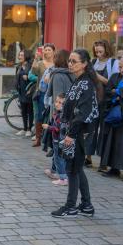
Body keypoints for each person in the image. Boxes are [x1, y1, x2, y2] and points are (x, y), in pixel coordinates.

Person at [51, 49, 100, 218]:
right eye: (69, 61)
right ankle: (86, 205)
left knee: (72, 169)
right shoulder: (79, 81)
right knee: (77, 168)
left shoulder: (85, 83)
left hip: (79, 132)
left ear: (85, 63)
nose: (70, 64)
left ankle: (70, 206)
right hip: (74, 130)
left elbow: (83, 113)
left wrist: (71, 135)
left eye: (74, 61)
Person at [86, 39, 119, 167]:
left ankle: (103, 161)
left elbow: (112, 83)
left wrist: (97, 76)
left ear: (106, 49)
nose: (98, 53)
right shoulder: (94, 62)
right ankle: (88, 157)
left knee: (104, 130)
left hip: (106, 101)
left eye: (100, 51)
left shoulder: (113, 63)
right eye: (96, 51)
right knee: (90, 128)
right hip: (93, 99)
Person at [44, 49, 73, 157]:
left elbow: (55, 95)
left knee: (57, 138)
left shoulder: (56, 75)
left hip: (59, 112)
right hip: (70, 110)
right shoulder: (72, 73)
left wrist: (56, 114)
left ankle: (56, 168)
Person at [32, 43, 55, 147]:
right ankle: (38, 138)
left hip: (53, 93)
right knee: (39, 115)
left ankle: (49, 138)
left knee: (52, 115)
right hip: (41, 92)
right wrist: (36, 59)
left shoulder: (56, 63)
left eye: (49, 50)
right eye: (45, 50)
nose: (47, 52)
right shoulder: (41, 63)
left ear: (54, 51)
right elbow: (33, 71)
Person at [43, 93, 68, 186]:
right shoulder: (59, 113)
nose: (57, 104)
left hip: (58, 140)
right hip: (57, 140)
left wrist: (48, 127)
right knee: (57, 157)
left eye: (60, 102)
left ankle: (63, 178)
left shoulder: (61, 115)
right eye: (56, 101)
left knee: (59, 159)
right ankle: (57, 172)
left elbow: (57, 129)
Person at [15, 49, 35, 137]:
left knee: (29, 110)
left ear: (26, 56)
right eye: (19, 55)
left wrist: (28, 77)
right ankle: (24, 128)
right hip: (21, 90)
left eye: (22, 55)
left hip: (29, 91)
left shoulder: (31, 66)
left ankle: (29, 129)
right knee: (23, 111)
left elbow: (35, 77)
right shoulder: (18, 66)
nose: (19, 57)